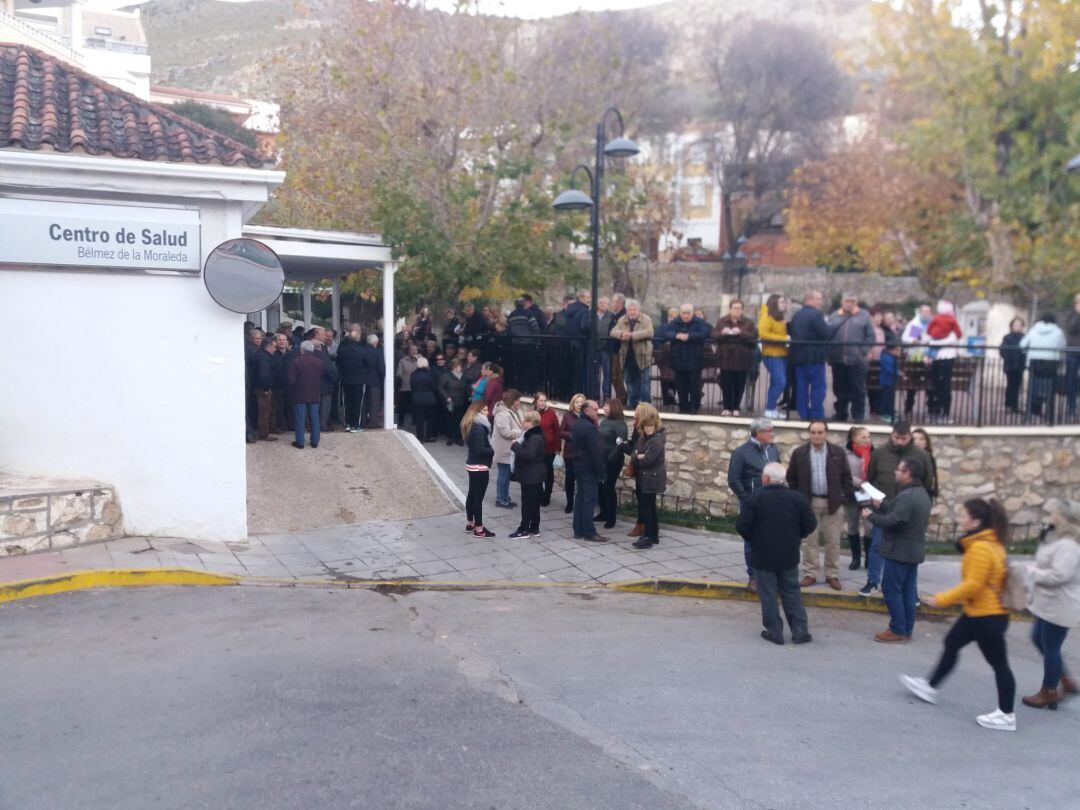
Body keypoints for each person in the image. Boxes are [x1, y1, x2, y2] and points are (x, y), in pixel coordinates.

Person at [901, 498, 1017, 732]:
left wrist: (941, 599)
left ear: (975, 521)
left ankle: (1006, 715)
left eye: (963, 515)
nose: (959, 519)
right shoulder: (985, 542)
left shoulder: (982, 547)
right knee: (952, 642)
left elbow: (973, 585)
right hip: (978, 612)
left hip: (988, 616)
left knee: (999, 665)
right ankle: (930, 686)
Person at [736, 462, 817, 645]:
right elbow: (810, 524)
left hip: (763, 554)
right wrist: (797, 536)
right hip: (788, 553)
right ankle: (800, 631)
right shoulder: (798, 498)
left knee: (768, 593)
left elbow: (742, 525)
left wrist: (753, 539)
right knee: (791, 591)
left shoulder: (755, 498)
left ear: (765, 478)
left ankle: (775, 632)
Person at [859, 421, 932, 596]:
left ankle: (910, 589)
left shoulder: (921, 455)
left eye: (904, 438)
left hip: (910, 511)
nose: (899, 441)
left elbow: (928, 484)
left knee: (907, 554)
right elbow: (871, 477)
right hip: (883, 506)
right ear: (891, 435)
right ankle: (873, 580)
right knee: (877, 546)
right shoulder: (880, 453)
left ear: (909, 436)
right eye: (896, 437)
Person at [863, 456, 931, 642]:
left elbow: (893, 521)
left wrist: (871, 516)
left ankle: (897, 629)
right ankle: (906, 629)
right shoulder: (920, 493)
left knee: (891, 589)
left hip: (899, 552)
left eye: (899, 470)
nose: (896, 472)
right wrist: (882, 505)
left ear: (908, 474)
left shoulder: (907, 496)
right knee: (908, 591)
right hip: (912, 551)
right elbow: (898, 511)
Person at [786, 420, 853, 590]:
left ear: (826, 433)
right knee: (810, 540)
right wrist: (797, 497)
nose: (816, 436)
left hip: (833, 502)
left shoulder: (837, 452)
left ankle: (832, 574)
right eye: (813, 432)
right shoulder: (800, 453)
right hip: (809, 502)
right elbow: (791, 477)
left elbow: (847, 477)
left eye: (820, 432)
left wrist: (843, 497)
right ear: (809, 433)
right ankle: (811, 573)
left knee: (833, 541)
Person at [1023, 518, 1080, 708]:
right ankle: (1064, 679)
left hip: (1061, 604)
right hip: (1049, 602)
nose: (1048, 518)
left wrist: (1033, 573)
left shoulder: (1068, 545)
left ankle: (1049, 691)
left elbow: (1060, 575)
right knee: (1038, 638)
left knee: (1051, 646)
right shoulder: (1055, 539)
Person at [728, 418, 781, 591]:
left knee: (771, 538)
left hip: (772, 501)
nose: (772, 434)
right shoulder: (741, 453)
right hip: (752, 503)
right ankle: (753, 576)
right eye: (769, 431)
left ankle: (769, 572)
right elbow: (733, 479)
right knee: (751, 540)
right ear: (758, 433)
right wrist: (746, 498)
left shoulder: (773, 450)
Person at [828, 292, 875, 421]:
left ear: (856, 302)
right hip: (838, 359)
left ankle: (858, 414)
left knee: (857, 388)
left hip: (857, 360)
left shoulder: (864, 316)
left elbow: (871, 336)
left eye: (852, 301)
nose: (849, 303)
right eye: (847, 300)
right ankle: (840, 413)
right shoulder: (834, 316)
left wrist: (863, 351)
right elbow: (828, 334)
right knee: (839, 388)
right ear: (842, 302)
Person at [660, 303, 712, 414]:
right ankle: (683, 408)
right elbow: (664, 332)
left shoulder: (699, 322)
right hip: (679, 360)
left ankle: (694, 408)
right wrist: (676, 335)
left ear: (692, 313)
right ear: (680, 313)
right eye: (684, 313)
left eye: (688, 313)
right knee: (680, 386)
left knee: (695, 386)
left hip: (695, 360)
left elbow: (706, 333)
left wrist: (689, 336)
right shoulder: (675, 322)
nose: (686, 315)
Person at [627, 404, 666, 549]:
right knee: (650, 508)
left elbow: (649, 460)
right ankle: (653, 535)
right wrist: (639, 456)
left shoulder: (657, 440)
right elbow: (634, 453)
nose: (648, 429)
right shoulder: (643, 437)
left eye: (651, 426)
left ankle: (648, 537)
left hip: (652, 479)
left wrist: (639, 457)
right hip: (645, 478)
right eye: (646, 427)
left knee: (646, 508)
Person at [789, 290, 830, 419]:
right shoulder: (816, 315)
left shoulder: (797, 315)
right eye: (819, 299)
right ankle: (816, 414)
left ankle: (803, 413)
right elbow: (825, 333)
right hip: (815, 357)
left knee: (801, 388)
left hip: (798, 357)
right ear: (810, 299)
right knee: (818, 387)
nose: (821, 302)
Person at [570, 399, 607, 542]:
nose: (598, 412)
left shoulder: (578, 424)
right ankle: (589, 532)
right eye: (596, 409)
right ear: (587, 410)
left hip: (579, 467)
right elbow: (596, 453)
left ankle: (578, 529)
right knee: (589, 501)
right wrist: (602, 473)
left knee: (580, 498)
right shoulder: (590, 428)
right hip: (589, 469)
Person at [712, 299, 758, 416]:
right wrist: (722, 332)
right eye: (734, 308)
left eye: (739, 308)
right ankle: (727, 407)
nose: (736, 310)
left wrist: (741, 332)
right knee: (726, 383)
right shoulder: (722, 321)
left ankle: (736, 407)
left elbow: (754, 337)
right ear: (730, 309)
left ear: (742, 310)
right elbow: (713, 335)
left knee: (739, 384)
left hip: (742, 358)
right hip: (725, 358)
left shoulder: (748, 323)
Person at [1020, 312, 1067, 420]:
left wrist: (1028, 352)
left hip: (1034, 361)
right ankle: (1049, 415)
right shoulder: (1058, 331)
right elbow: (1062, 346)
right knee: (1050, 388)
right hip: (1051, 361)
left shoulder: (1033, 330)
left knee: (1033, 387)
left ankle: (1030, 413)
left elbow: (1022, 345)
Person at [508, 410, 546, 539]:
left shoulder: (534, 437)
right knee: (534, 503)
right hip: (533, 475)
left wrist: (515, 446)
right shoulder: (532, 435)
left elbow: (528, 455)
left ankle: (523, 529)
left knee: (528, 503)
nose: (522, 422)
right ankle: (534, 528)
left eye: (524, 420)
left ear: (530, 422)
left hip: (532, 475)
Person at [924, 300, 963, 424]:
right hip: (936, 356)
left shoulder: (937, 320)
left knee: (944, 385)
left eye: (927, 311)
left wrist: (934, 341)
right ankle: (935, 411)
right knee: (936, 385)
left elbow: (928, 334)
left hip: (944, 356)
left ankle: (944, 412)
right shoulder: (917, 324)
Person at [611, 299, 654, 408]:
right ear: (627, 310)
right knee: (630, 383)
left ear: (639, 310)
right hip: (626, 356)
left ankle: (646, 406)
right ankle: (632, 404)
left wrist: (632, 335)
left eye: (634, 310)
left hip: (642, 356)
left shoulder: (646, 319)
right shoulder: (622, 320)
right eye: (630, 310)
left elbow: (650, 332)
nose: (632, 312)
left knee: (644, 383)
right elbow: (613, 332)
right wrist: (621, 334)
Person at [462, 401, 496, 538]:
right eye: (484, 410)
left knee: (472, 495)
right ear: (476, 412)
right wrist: (492, 450)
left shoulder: (472, 425)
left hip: (473, 465)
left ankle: (470, 523)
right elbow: (480, 450)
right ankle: (479, 528)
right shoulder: (478, 429)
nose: (487, 413)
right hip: (479, 467)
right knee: (477, 498)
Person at [844, 425, 873, 570]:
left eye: (869, 436)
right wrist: (860, 482)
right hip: (851, 492)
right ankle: (855, 558)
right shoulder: (846, 453)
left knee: (869, 526)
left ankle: (869, 557)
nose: (868, 439)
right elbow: (844, 473)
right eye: (864, 437)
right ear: (854, 438)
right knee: (852, 525)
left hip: (867, 493)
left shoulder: (873, 452)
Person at [597, 398, 628, 529]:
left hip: (612, 461)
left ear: (614, 408)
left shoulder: (620, 424)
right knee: (600, 487)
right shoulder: (604, 421)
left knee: (608, 488)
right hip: (601, 459)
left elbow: (621, 444)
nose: (603, 408)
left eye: (606, 406)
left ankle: (611, 517)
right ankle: (603, 512)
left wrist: (610, 458)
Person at [287, 340, 324, 449]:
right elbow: (321, 375)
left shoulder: (296, 362)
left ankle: (300, 442)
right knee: (314, 417)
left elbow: (291, 380)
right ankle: (315, 441)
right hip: (315, 393)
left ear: (302, 350)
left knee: (300, 418)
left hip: (300, 394)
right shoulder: (319, 362)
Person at [491, 389, 523, 509]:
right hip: (503, 450)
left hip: (508, 449)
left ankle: (505, 497)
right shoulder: (502, 414)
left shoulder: (509, 411)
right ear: (513, 401)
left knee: (506, 475)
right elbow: (506, 432)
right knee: (503, 475)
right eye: (518, 400)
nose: (519, 403)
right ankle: (500, 499)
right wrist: (521, 432)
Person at [758, 294, 789, 419]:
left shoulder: (779, 318)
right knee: (781, 381)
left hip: (782, 354)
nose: (784, 304)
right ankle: (769, 408)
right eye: (781, 301)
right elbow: (763, 334)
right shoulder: (767, 316)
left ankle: (771, 409)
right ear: (774, 303)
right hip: (772, 354)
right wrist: (784, 338)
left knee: (776, 382)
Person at [901, 303, 933, 416]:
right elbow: (908, 339)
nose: (926, 314)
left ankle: (931, 409)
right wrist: (916, 340)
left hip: (928, 358)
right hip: (915, 358)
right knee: (912, 385)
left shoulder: (932, 324)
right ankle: (908, 408)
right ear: (920, 312)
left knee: (930, 385)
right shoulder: (915, 324)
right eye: (924, 312)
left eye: (928, 312)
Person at [336, 326, 367, 432]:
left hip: (345, 379)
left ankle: (348, 423)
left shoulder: (342, 349)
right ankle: (355, 425)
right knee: (357, 403)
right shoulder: (363, 350)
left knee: (347, 402)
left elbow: (338, 362)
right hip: (359, 380)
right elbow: (367, 364)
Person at [560, 394, 586, 514]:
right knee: (570, 479)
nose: (579, 404)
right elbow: (561, 432)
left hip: (583, 454)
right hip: (570, 453)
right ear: (573, 404)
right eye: (577, 402)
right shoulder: (567, 415)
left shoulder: (586, 416)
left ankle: (581, 503)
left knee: (582, 479)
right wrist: (571, 435)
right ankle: (569, 503)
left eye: (581, 402)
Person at [535, 392, 561, 507]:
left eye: (544, 400)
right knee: (538, 472)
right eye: (541, 400)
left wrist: (557, 448)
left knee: (548, 473)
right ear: (536, 401)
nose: (543, 403)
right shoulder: (533, 413)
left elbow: (557, 431)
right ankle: (539, 494)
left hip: (549, 449)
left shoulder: (551, 413)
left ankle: (547, 496)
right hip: (536, 449)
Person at [252, 335, 278, 441]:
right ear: (268, 346)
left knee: (267, 409)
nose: (275, 350)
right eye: (274, 347)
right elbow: (264, 374)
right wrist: (266, 388)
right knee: (265, 410)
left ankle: (267, 430)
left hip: (259, 386)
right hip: (262, 388)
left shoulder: (260, 354)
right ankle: (264, 433)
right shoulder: (264, 357)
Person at [439, 358, 470, 445]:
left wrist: (469, 395)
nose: (461, 368)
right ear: (454, 367)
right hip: (450, 402)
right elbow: (441, 388)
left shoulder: (463, 376)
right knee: (449, 420)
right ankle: (450, 437)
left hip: (461, 401)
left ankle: (458, 438)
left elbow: (466, 388)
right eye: (459, 366)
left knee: (459, 420)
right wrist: (447, 397)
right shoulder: (446, 376)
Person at [999, 317, 1027, 414]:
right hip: (1010, 365)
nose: (1017, 327)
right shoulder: (1007, 337)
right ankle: (1008, 405)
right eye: (1015, 325)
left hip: (1019, 365)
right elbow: (1002, 350)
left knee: (1017, 385)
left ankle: (1014, 405)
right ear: (1011, 326)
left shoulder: (1024, 337)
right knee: (1010, 385)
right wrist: (1009, 358)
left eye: (1019, 325)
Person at [409, 356, 439, 443]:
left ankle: (420, 437)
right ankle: (429, 436)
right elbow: (434, 387)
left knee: (419, 419)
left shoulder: (413, 374)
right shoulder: (430, 374)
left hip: (417, 398)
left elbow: (412, 386)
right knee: (430, 418)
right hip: (429, 398)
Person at [360, 334, 385, 429]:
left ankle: (362, 422)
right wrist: (382, 378)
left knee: (364, 402)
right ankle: (373, 422)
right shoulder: (377, 352)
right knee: (375, 402)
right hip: (375, 381)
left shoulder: (361, 351)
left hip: (363, 380)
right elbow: (381, 368)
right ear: (376, 342)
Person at [608, 293, 628, 402]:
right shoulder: (615, 315)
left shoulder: (623, 315)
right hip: (614, 349)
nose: (612, 304)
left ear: (619, 303)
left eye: (613, 301)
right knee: (614, 375)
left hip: (619, 349)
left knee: (616, 375)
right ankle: (621, 396)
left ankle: (622, 397)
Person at [395, 343, 420, 427]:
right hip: (405, 387)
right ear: (408, 351)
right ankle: (401, 421)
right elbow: (399, 373)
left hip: (416, 388)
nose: (414, 352)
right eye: (412, 350)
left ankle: (415, 420)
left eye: (415, 350)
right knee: (403, 406)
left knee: (416, 405)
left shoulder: (420, 360)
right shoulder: (403, 361)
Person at [910, 428, 939, 502]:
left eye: (921, 439)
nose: (917, 442)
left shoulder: (930, 458)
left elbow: (932, 478)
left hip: (925, 495)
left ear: (926, 442)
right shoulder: (906, 458)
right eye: (914, 439)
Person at [877, 336, 900, 424]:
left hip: (891, 381)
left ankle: (890, 412)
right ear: (891, 350)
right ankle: (886, 413)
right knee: (887, 398)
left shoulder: (892, 357)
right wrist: (897, 372)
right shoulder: (886, 357)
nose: (899, 352)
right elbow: (889, 368)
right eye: (897, 350)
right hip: (887, 381)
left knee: (891, 397)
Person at [1065, 293, 1080, 419]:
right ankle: (1071, 407)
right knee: (1071, 381)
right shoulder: (1071, 315)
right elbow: (1070, 329)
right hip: (1073, 352)